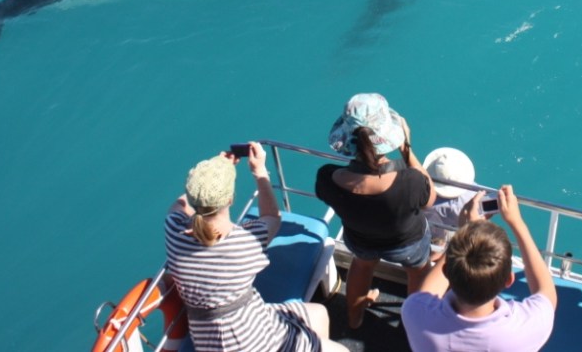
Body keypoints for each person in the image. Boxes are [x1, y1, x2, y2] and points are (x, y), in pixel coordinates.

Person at [164, 143, 346, 352]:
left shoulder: (174, 232)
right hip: (257, 339)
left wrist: (209, 178)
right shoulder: (244, 243)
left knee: (318, 313)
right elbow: (272, 218)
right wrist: (259, 171)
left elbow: (178, 206)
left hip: (209, 339)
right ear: (230, 199)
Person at [315, 93, 437, 329]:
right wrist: (407, 150)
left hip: (361, 240)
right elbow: (429, 198)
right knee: (417, 272)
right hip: (407, 243)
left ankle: (354, 318)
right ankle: (413, 325)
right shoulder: (410, 182)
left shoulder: (328, 177)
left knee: (361, 266)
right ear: (388, 135)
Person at [401, 186, 557, 351]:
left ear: (447, 273)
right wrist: (516, 222)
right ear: (509, 280)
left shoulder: (416, 314)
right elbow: (546, 294)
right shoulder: (523, 331)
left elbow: (426, 291)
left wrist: (465, 233)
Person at [422, 147, 478, 257]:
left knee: (435, 242)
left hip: (428, 226)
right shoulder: (471, 197)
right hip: (451, 228)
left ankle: (433, 256)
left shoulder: (421, 194)